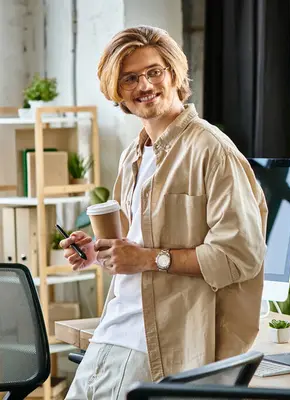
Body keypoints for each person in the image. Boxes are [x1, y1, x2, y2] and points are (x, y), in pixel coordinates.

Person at [60, 25, 268, 399]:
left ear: (173, 73)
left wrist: (145, 259)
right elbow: (137, 242)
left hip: (159, 345)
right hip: (116, 329)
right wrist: (98, 251)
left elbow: (240, 256)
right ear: (117, 90)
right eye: (129, 78)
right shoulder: (134, 155)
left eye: (154, 71)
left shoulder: (212, 151)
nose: (144, 85)